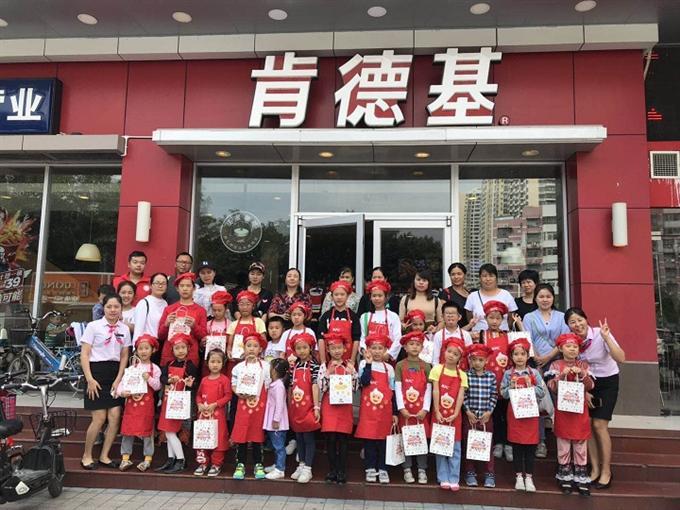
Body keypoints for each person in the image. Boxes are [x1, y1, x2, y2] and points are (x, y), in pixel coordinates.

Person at [564, 308, 625, 490]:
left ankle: (606, 471)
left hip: (607, 382)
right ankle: (595, 469)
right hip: (587, 384)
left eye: (579, 320)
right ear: (568, 326)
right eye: (572, 322)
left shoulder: (600, 333)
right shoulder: (572, 342)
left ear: (586, 319)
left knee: (599, 425)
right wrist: (584, 391)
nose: (577, 325)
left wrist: (607, 338)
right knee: (588, 425)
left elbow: (621, 358)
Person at [80, 294, 131, 470]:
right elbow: (85, 354)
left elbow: (124, 355)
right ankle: (87, 455)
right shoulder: (93, 326)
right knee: (99, 418)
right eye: (109, 307)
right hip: (95, 373)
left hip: (115, 374)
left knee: (115, 417)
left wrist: (119, 379)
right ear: (104, 308)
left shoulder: (124, 329)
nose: (113, 310)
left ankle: (104, 455)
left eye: (116, 307)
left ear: (121, 308)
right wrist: (89, 379)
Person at [521, 283, 569, 458]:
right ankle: (540, 441)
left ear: (553, 298)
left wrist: (548, 356)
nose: (545, 299)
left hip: (557, 362)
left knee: (558, 400)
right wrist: (537, 358)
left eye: (548, 296)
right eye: (541, 296)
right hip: (536, 364)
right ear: (535, 298)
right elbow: (527, 339)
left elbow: (564, 340)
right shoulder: (529, 317)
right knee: (539, 401)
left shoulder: (562, 317)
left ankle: (562, 438)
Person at [545, 333, 595, 496]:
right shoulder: (555, 365)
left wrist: (582, 374)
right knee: (563, 442)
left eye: (575, 346)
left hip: (579, 410)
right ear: (560, 348)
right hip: (563, 410)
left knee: (580, 442)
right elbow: (552, 387)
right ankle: (564, 475)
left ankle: (581, 475)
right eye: (568, 346)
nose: (572, 349)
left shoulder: (583, 365)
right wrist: (561, 375)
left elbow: (590, 386)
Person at [500, 337, 545, 493]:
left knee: (530, 447)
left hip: (531, 415)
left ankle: (529, 477)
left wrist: (530, 385)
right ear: (511, 357)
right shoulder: (508, 374)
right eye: (516, 354)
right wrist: (511, 387)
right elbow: (503, 393)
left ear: (527, 356)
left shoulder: (534, 373)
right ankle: (519, 476)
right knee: (517, 446)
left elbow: (542, 392)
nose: (519, 357)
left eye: (522, 354)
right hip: (515, 414)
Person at [356, 333, 397, 484]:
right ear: (368, 349)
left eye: (380, 348)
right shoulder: (363, 364)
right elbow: (364, 382)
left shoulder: (389, 368)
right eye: (374, 348)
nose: (377, 351)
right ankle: (370, 468)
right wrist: (368, 364)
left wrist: (394, 412)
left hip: (385, 412)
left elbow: (392, 391)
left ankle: (383, 468)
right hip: (368, 412)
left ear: (386, 350)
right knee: (369, 442)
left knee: (383, 442)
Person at [116, 334, 161, 472]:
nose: (143, 351)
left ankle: (147, 459)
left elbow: (158, 386)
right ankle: (125, 458)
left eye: (146, 348)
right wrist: (122, 392)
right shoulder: (132, 368)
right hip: (131, 405)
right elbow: (122, 384)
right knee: (127, 431)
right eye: (140, 348)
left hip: (146, 406)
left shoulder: (155, 369)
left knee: (147, 431)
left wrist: (149, 379)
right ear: (136, 351)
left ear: (153, 350)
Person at [231, 333, 271, 480]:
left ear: (260, 349)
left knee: (257, 434)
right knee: (241, 433)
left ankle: (258, 464)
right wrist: (239, 393)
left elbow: (269, 386)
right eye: (249, 346)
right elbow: (233, 384)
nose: (252, 349)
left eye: (255, 346)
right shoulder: (238, 367)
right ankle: (240, 464)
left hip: (259, 406)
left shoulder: (266, 366)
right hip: (243, 405)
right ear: (244, 348)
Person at [481, 300, 517, 463]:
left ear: (502, 319)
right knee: (494, 415)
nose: (494, 321)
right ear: (486, 318)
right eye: (491, 318)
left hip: (507, 382)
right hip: (489, 384)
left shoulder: (509, 336)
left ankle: (509, 444)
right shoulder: (481, 335)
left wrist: (519, 325)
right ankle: (498, 443)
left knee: (508, 414)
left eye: (498, 318)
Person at [155, 334, 197, 474]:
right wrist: (169, 380)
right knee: (167, 431)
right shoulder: (169, 364)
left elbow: (194, 384)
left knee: (170, 431)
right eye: (177, 348)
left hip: (180, 403)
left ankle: (181, 460)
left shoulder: (190, 366)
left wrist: (190, 384)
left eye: (183, 347)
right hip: (168, 400)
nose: (180, 351)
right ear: (172, 350)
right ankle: (171, 459)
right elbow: (162, 377)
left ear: (188, 348)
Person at [430, 336, 467, 491]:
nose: (451, 355)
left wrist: (456, 412)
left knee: (455, 447)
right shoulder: (437, 369)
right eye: (449, 351)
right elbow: (435, 390)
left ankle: (454, 478)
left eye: (455, 354)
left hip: (454, 416)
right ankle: (443, 477)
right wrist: (437, 411)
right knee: (440, 446)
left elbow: (460, 395)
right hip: (439, 414)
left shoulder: (462, 374)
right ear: (444, 352)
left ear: (460, 358)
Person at [319, 332, 356, 485]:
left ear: (344, 349)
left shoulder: (349, 365)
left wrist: (352, 375)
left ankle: (342, 471)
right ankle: (332, 470)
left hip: (344, 407)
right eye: (333, 348)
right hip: (329, 406)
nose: (336, 351)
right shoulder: (324, 366)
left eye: (339, 348)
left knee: (343, 439)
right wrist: (328, 373)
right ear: (328, 350)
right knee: (331, 439)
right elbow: (321, 387)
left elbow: (355, 388)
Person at [395, 331, 432, 485]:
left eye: (418, 344)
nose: (415, 347)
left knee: (421, 439)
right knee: (406, 439)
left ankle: (422, 469)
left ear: (422, 347)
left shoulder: (426, 366)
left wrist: (425, 409)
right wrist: (401, 408)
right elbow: (397, 388)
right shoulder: (400, 365)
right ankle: (407, 468)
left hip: (421, 411)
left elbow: (429, 389)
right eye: (411, 344)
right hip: (405, 411)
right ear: (405, 347)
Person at [462, 343, 497, 489]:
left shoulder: (491, 376)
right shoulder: (466, 375)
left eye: (481, 360)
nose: (477, 363)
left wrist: (489, 412)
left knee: (486, 443)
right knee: (469, 444)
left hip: (486, 417)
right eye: (474, 360)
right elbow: (463, 395)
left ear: (486, 361)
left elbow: (494, 395)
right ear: (470, 360)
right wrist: (467, 411)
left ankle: (489, 473)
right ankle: (470, 472)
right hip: (470, 416)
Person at [287, 332, 321, 484]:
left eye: (304, 347)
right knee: (299, 437)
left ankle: (308, 468)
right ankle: (300, 464)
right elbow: (290, 386)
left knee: (308, 437)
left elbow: (315, 385)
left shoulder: (314, 365)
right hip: (296, 408)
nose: (301, 351)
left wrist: (316, 407)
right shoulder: (294, 366)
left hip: (308, 407)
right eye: (298, 348)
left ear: (310, 348)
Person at [193, 350, 232, 477]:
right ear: (207, 363)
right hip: (203, 415)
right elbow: (198, 395)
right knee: (202, 436)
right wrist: (199, 404)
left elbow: (228, 396)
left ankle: (216, 464)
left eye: (218, 362)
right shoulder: (204, 380)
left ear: (223, 363)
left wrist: (216, 404)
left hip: (217, 415)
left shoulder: (224, 380)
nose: (215, 364)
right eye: (212, 361)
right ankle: (202, 462)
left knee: (218, 437)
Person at [158, 272, 208, 368]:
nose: (185, 289)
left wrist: (194, 326)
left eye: (188, 286)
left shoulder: (201, 311)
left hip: (190, 356)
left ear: (194, 288)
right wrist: (166, 324)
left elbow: (203, 337)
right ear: (177, 288)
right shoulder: (169, 309)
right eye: (182, 286)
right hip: (169, 355)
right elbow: (160, 335)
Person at [465, 263, 518, 335]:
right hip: (478, 337)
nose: (488, 279)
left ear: (496, 278)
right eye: (484, 276)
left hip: (502, 337)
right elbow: (469, 318)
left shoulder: (506, 295)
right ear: (480, 278)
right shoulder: (472, 296)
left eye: (491, 276)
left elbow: (511, 319)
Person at [317, 280, 360, 366]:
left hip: (348, 362)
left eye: (342, 294)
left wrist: (352, 361)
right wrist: (323, 362)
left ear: (348, 296)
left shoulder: (353, 316)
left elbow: (356, 339)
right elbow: (321, 338)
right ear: (331, 297)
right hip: (330, 362)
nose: (339, 297)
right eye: (336, 295)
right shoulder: (326, 316)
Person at [359, 280, 402, 361]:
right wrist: (364, 352)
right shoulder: (365, 317)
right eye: (374, 296)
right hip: (369, 359)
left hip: (387, 360)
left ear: (386, 297)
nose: (377, 298)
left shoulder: (393, 316)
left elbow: (398, 338)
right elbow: (362, 338)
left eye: (380, 296)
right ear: (370, 298)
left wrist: (388, 354)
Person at [263, 358, 290, 480]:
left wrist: (276, 419)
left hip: (277, 422)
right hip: (272, 419)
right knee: (275, 445)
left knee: (279, 447)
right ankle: (277, 464)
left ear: (274, 370)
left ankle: (280, 469)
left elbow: (280, 404)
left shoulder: (279, 386)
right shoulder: (274, 384)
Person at [200, 290, 232, 377]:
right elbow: (201, 344)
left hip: (223, 361)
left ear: (226, 309)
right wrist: (202, 343)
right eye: (214, 310)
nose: (217, 313)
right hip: (209, 361)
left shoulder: (230, 325)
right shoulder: (207, 324)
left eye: (219, 310)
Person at [431, 302, 473, 366]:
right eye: (447, 313)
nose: (450, 316)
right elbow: (435, 359)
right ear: (442, 316)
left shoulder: (466, 335)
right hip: (443, 370)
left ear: (459, 317)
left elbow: (470, 356)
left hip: (461, 370)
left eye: (453, 313)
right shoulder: (438, 335)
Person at [132, 273, 168, 342]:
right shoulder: (144, 303)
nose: (160, 286)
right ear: (151, 285)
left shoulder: (165, 303)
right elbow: (138, 329)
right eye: (157, 283)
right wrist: (136, 346)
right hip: (147, 344)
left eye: (163, 283)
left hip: (160, 343)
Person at [439, 263, 473, 329]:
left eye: (459, 274)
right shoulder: (445, 293)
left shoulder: (470, 294)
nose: (456, 277)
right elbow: (441, 318)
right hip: (451, 332)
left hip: (468, 332)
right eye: (453, 274)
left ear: (464, 275)